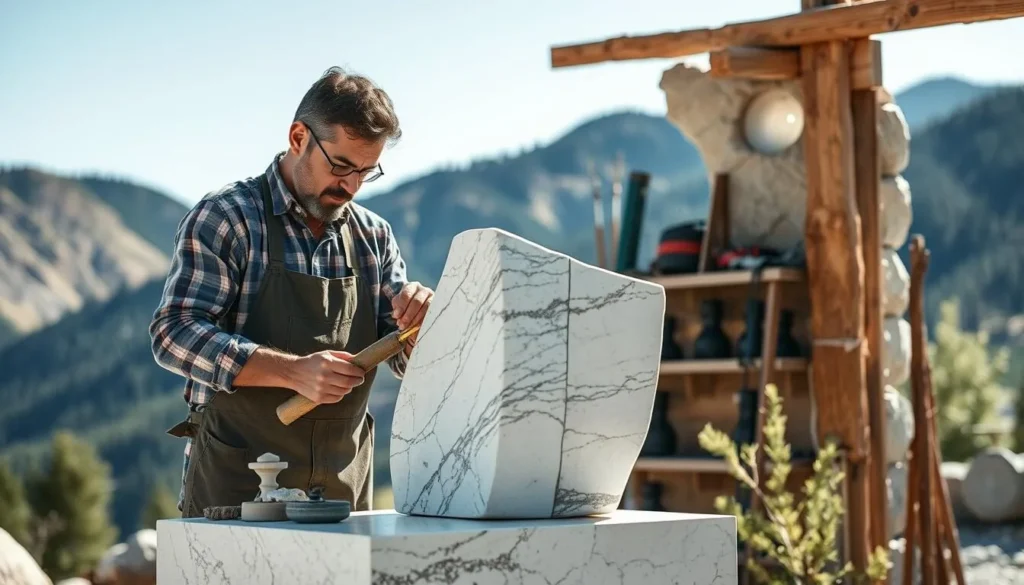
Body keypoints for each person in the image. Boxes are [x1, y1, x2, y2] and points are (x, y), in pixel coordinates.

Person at [149, 66, 433, 517]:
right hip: (236, 487)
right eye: (340, 166)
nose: (351, 186)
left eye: (366, 172)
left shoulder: (375, 237)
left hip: (343, 492)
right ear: (299, 137)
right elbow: (174, 334)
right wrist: (293, 371)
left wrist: (423, 324)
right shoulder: (228, 218)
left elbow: (403, 358)